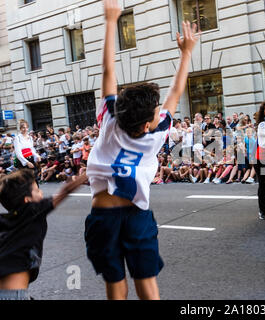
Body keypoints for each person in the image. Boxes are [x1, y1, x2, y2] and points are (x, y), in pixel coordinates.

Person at [85, 0, 200, 300]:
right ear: (148, 124)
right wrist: (186, 53)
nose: (159, 112)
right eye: (155, 111)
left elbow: (107, 68)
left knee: (116, 285)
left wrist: (111, 21)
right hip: (137, 215)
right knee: (147, 285)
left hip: (103, 215)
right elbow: (176, 91)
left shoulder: (111, 120)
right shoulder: (157, 135)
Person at [0, 170, 87, 300]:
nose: (41, 193)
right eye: (37, 190)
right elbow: (65, 191)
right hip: (14, 295)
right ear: (27, 200)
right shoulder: (31, 211)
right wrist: (88, 173)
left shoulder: (4, 220)